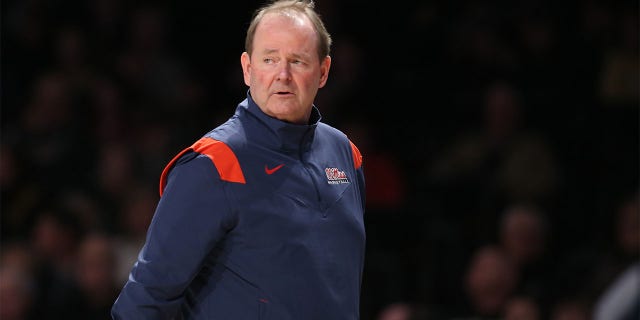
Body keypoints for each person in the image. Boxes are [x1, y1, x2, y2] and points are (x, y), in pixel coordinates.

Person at [111, 0, 366, 319]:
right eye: (269, 59)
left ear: (324, 71)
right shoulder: (214, 164)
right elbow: (146, 297)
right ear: (247, 69)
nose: (282, 75)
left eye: (297, 61)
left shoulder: (345, 154)